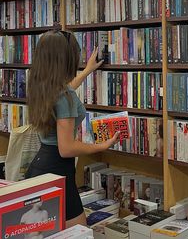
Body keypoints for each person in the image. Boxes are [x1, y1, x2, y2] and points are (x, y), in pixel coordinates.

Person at [26, 30, 119, 228]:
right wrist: (101, 146)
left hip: (40, 168)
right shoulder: (64, 95)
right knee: (80, 232)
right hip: (59, 171)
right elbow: (66, 148)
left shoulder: (42, 87)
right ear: (66, 58)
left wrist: (86, 72)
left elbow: (66, 92)